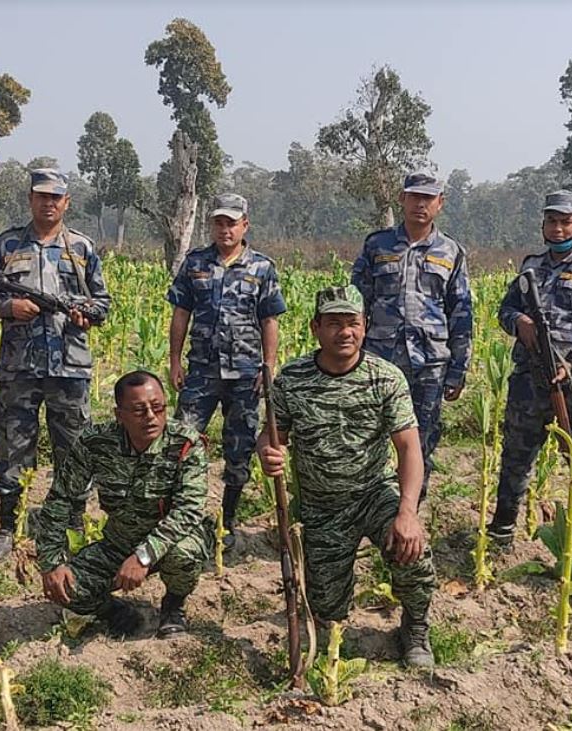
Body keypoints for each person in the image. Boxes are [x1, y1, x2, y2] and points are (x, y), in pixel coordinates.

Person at [258, 286, 436, 667]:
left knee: (414, 551)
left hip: (374, 492)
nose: (345, 332)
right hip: (321, 507)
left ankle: (415, 628)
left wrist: (407, 511)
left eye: (352, 323)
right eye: (334, 323)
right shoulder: (291, 380)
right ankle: (332, 624)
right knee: (326, 607)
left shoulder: (385, 378)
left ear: (365, 327)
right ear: (315, 328)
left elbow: (409, 448)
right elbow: (273, 437)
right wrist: (269, 454)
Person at [0, 168, 111, 560]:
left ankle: (71, 522)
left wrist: (87, 313)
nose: (48, 203)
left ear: (66, 202)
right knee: (13, 445)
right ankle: (7, 526)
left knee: (74, 448)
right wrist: (9, 307)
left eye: (56, 197)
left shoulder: (81, 248)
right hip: (21, 367)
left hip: (70, 367)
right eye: (41, 196)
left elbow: (102, 302)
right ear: (30, 199)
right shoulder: (7, 245)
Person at [487, 190, 572, 576]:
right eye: (552, 221)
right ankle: (501, 531)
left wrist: (571, 360)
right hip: (529, 383)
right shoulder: (530, 268)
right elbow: (505, 309)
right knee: (515, 459)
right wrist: (519, 322)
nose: (558, 227)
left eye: (566, 221)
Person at [37, 371, 213, 638]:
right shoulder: (95, 443)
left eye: (158, 408)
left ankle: (173, 605)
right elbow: (61, 498)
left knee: (184, 555)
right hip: (120, 542)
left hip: (174, 540)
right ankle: (115, 611)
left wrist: (144, 556)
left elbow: (188, 511)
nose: (151, 417)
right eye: (139, 411)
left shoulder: (185, 444)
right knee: (65, 589)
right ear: (120, 415)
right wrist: (50, 562)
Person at [166, 193, 286, 549]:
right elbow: (181, 313)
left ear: (244, 225)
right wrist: (175, 360)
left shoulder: (262, 268)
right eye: (219, 222)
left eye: (231, 222)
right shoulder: (196, 263)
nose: (225, 229)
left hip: (246, 375)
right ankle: (177, 514)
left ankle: (228, 519)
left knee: (240, 447)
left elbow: (269, 319)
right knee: (181, 442)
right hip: (202, 370)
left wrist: (268, 366)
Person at [351, 173, 472, 502]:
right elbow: (356, 302)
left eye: (428, 198)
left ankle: (409, 515)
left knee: (421, 442)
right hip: (379, 360)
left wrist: (459, 369)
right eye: (414, 196)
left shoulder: (451, 251)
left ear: (440, 203)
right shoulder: (377, 245)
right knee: (369, 436)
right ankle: (369, 513)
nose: (421, 204)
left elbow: (461, 313)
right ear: (401, 199)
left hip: (430, 364)